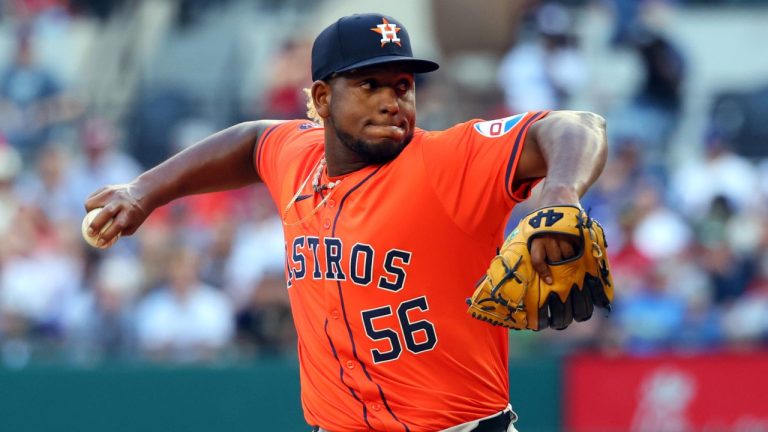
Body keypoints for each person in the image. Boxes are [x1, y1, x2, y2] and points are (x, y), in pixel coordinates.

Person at [84, 13, 608, 432]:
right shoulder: (297, 156)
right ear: (320, 99)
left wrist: (560, 191)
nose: (392, 101)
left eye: (403, 86)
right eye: (369, 84)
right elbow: (250, 140)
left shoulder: (447, 162)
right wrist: (145, 190)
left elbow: (575, 125)